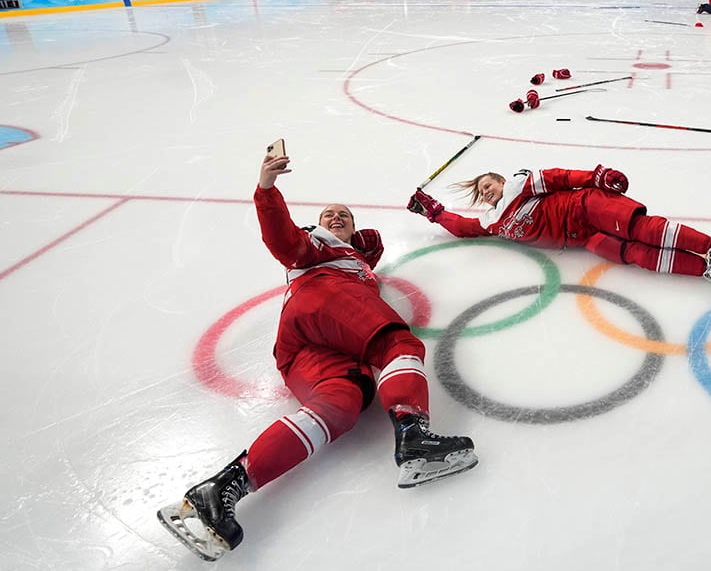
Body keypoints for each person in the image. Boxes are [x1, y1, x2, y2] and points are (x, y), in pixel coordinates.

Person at [158, 154, 477, 562]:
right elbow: (284, 240)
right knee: (397, 345)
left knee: (341, 404)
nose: (336, 217)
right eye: (329, 214)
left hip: (299, 346)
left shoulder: (354, 259)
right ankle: (415, 440)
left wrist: (365, 249)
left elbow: (369, 252)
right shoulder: (318, 245)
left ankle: (220, 490)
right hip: (326, 298)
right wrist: (267, 190)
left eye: (345, 214)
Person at [406, 166, 711, 291]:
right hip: (583, 240)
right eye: (481, 191)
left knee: (642, 229)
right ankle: (704, 267)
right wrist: (433, 211)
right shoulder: (490, 222)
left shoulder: (519, 184)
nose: (486, 191)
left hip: (586, 206)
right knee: (636, 255)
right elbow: (463, 227)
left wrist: (595, 177)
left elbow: (560, 177)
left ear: (500, 179)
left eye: (488, 183)